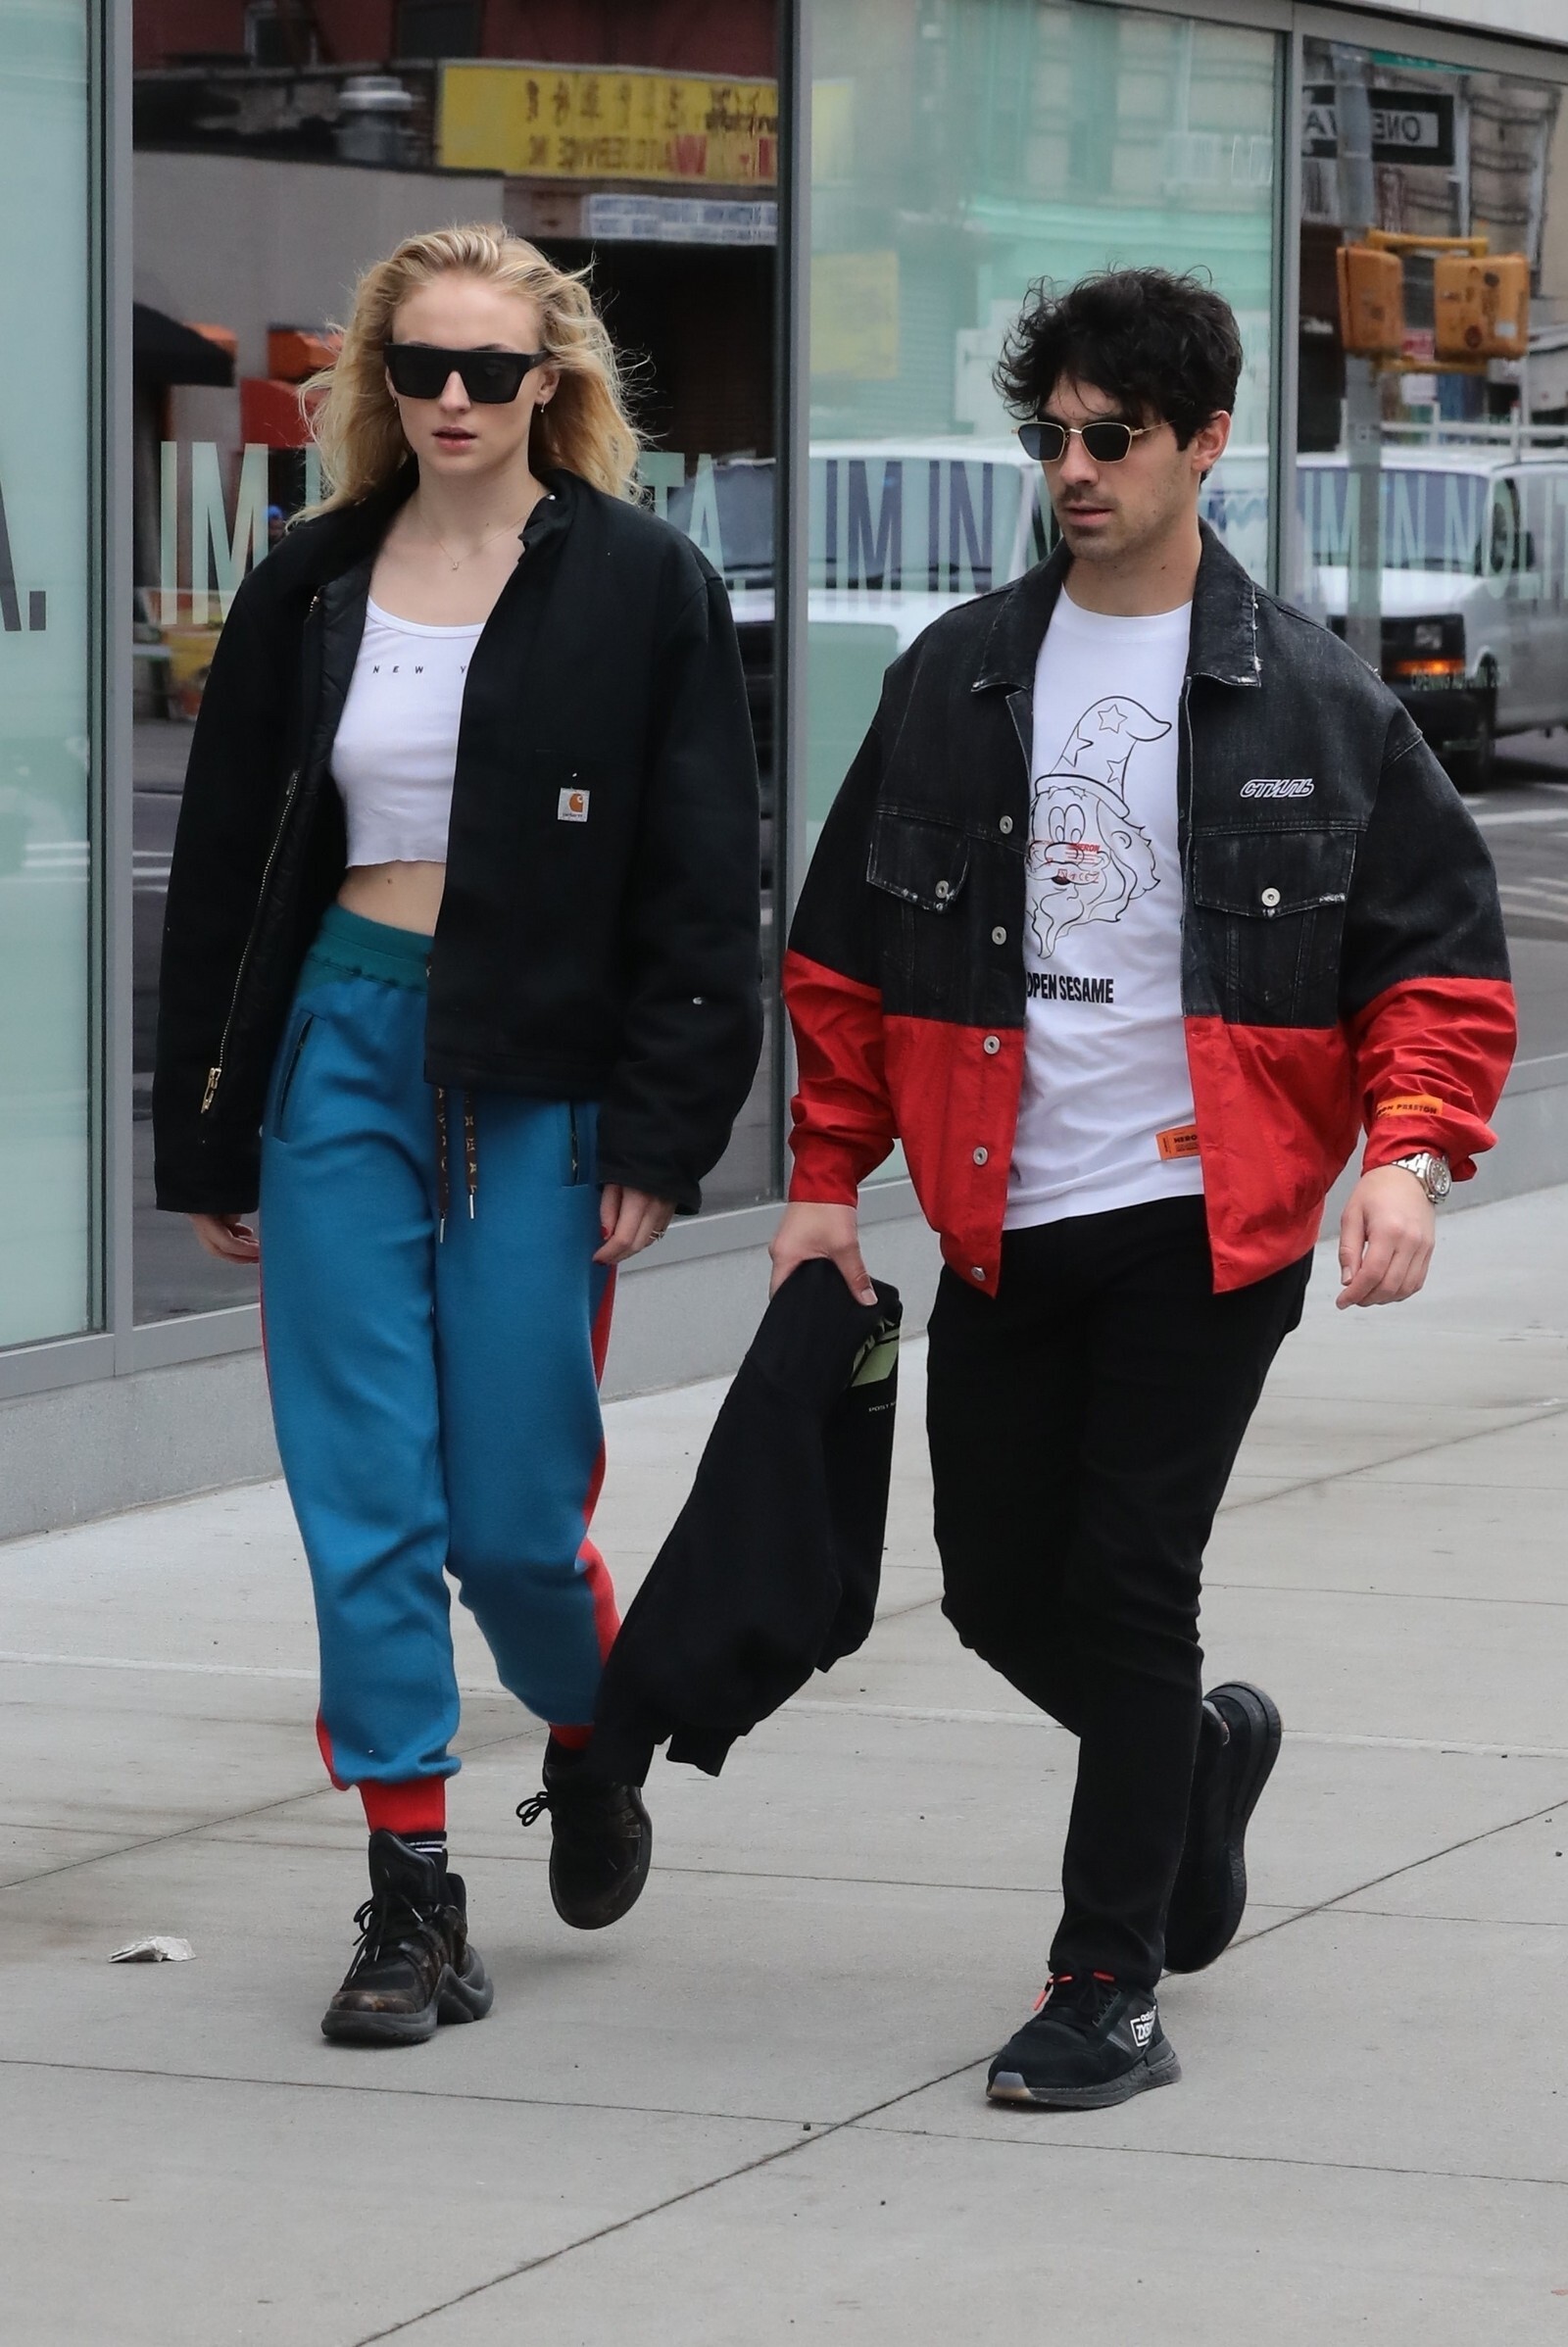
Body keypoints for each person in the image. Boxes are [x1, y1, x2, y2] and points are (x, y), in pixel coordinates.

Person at [769, 268, 1514, 2109]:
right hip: (1001, 1214)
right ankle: (1190, 1760)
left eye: (1113, 436)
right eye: (1052, 437)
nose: (1076, 469)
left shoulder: (1314, 697)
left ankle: (1105, 1981)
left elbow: (1437, 963)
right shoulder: (958, 676)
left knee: (1127, 1578)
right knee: (993, 1588)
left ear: (1205, 443)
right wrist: (823, 1180)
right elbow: (848, 957)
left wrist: (1409, 1157)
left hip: (1207, 1220)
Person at [154, 223, 760, 2045]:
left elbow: (700, 879)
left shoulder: (641, 584)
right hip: (340, 1048)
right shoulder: (313, 579)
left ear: (549, 384)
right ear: (379, 381)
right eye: (421, 367)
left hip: (540, 1075)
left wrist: (664, 1127)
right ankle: (411, 1890)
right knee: (366, 1499)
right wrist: (213, 1134)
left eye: (491, 370)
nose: (455, 399)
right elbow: (227, 870)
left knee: (509, 1522)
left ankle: (594, 1732)